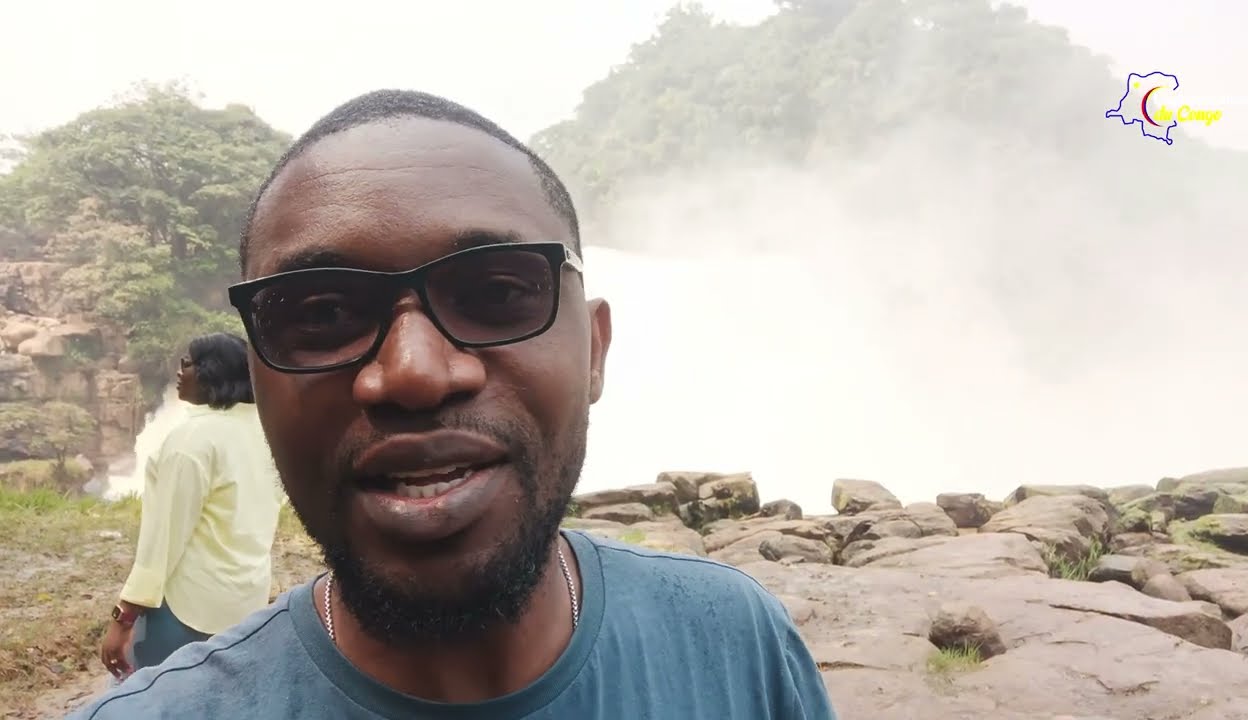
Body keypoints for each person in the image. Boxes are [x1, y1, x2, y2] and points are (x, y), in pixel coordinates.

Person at [72, 90, 836, 719]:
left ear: (595, 350)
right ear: (260, 380)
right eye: (322, 314)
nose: (411, 374)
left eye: (498, 294)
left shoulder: (734, 645)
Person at [97, 332, 284, 681]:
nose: (180, 371)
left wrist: (123, 618)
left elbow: (162, 541)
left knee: (150, 700)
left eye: (189, 363)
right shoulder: (266, 432)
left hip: (186, 608)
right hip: (245, 603)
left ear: (211, 371)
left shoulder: (193, 439)